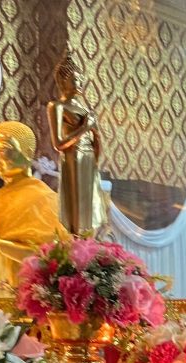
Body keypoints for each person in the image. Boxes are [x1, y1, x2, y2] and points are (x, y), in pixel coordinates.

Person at [0, 121, 69, 296]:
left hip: (32, 292)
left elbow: (49, 259)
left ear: (27, 152)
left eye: (3, 149)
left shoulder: (45, 198)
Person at [49, 53, 107, 236]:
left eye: (80, 79)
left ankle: (90, 240)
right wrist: (84, 128)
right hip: (73, 156)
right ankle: (77, 239)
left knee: (90, 202)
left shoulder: (84, 109)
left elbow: (96, 138)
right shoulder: (57, 106)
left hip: (89, 156)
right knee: (76, 203)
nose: (79, 83)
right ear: (63, 81)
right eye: (74, 79)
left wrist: (96, 153)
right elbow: (58, 144)